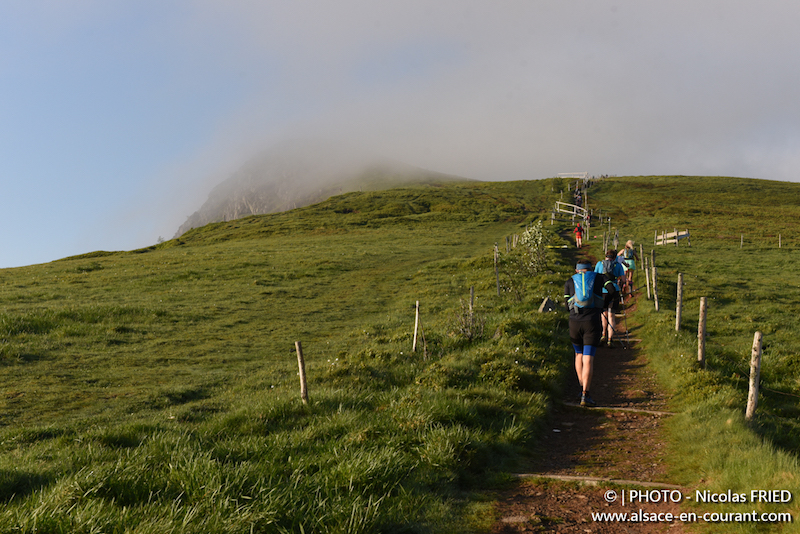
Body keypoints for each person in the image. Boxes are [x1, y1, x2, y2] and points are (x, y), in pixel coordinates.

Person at [564, 262, 607, 407]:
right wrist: (602, 304)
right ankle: (585, 394)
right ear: (591, 269)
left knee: (578, 355)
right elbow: (612, 289)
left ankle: (581, 387)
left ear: (576, 270)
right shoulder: (599, 278)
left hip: (574, 323)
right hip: (592, 322)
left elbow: (566, 305)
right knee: (589, 357)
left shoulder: (570, 281)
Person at [595, 250, 625, 346]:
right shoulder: (618, 265)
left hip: (603, 291)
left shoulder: (599, 264)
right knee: (612, 316)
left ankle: (603, 334)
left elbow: (595, 277)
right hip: (614, 291)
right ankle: (610, 339)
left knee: (604, 315)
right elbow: (624, 279)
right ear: (615, 257)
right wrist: (621, 284)